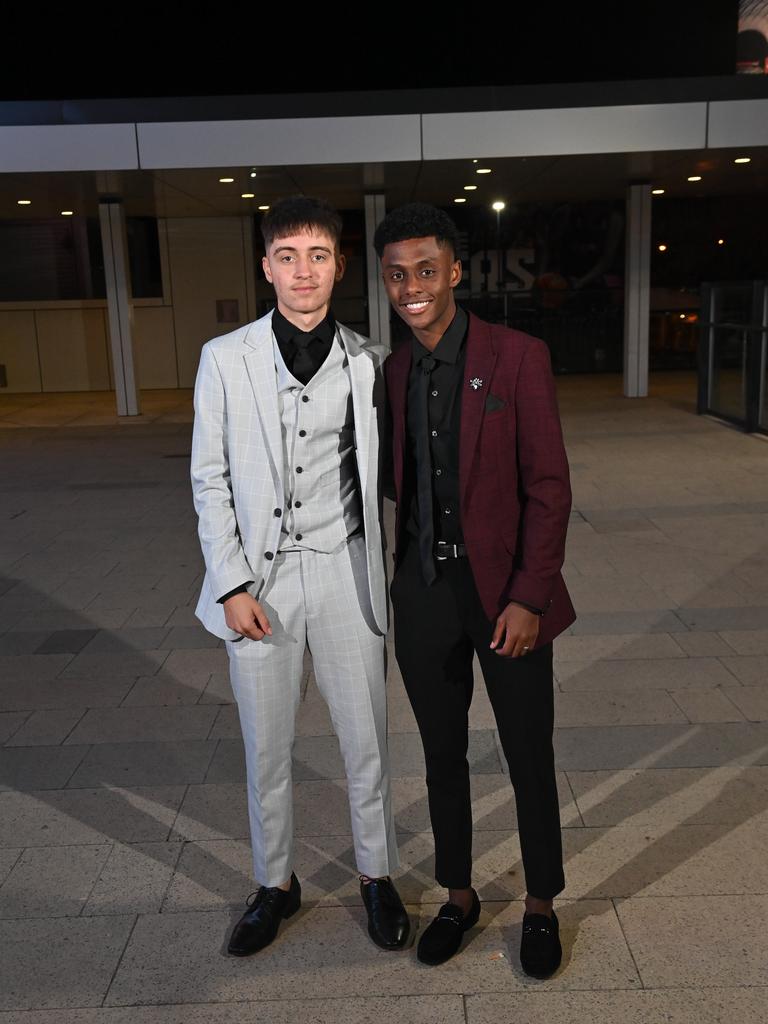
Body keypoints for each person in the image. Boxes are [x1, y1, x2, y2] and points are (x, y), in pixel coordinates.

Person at [191, 195, 409, 957]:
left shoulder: (373, 361)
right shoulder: (225, 358)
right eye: (288, 256)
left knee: (366, 743)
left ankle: (378, 876)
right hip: (261, 586)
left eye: (318, 255)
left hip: (348, 572)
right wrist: (230, 585)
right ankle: (274, 882)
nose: (303, 270)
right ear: (266, 267)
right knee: (266, 748)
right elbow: (209, 479)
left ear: (339, 266)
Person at [374, 202, 575, 976]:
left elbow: (550, 488)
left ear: (455, 271)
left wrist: (529, 596)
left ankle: (541, 905)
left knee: (528, 752)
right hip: (424, 593)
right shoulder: (394, 372)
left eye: (427, 270)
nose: (412, 287)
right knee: (441, 753)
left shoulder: (517, 356)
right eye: (398, 274)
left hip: (505, 599)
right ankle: (459, 894)